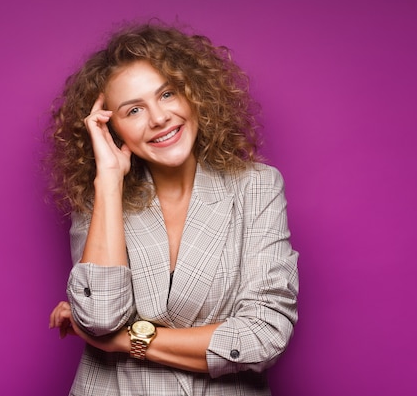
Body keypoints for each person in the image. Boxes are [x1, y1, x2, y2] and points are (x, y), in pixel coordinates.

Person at [47, 21, 299, 396]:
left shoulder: (256, 186)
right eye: (133, 110)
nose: (159, 118)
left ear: (194, 93)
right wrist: (110, 181)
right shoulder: (101, 195)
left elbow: (264, 335)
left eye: (167, 94)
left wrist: (126, 341)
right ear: (112, 128)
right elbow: (99, 318)